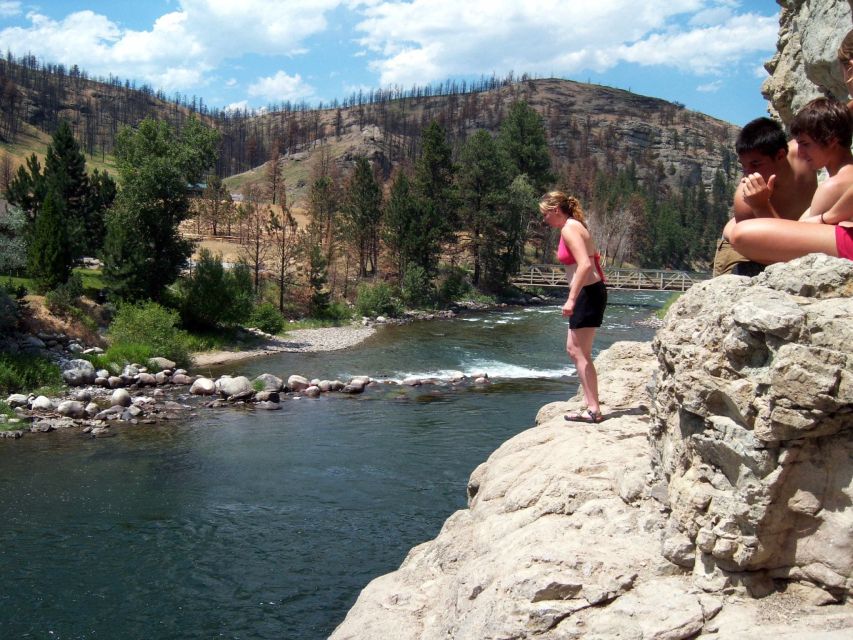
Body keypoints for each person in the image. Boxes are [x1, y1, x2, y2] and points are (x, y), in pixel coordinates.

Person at [729, 97, 853, 263]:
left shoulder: (832, 187)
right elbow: (834, 121)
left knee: (739, 233)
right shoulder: (842, 178)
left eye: (805, 144)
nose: (800, 152)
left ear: (831, 140)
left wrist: (761, 206)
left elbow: (788, 244)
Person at [713, 117, 817, 276]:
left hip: (790, 241)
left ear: (780, 155)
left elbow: (834, 120)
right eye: (744, 166)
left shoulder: (805, 153)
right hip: (743, 251)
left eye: (756, 164)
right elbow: (772, 246)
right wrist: (760, 205)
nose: (748, 173)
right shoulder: (745, 198)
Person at [539, 191, 608, 424]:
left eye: (545, 214)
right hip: (589, 293)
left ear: (556, 210)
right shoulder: (572, 225)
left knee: (580, 353)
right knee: (574, 350)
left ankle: (593, 409)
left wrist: (571, 298)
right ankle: (591, 406)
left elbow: (585, 265)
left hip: (587, 294)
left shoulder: (569, 228)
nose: (544, 219)